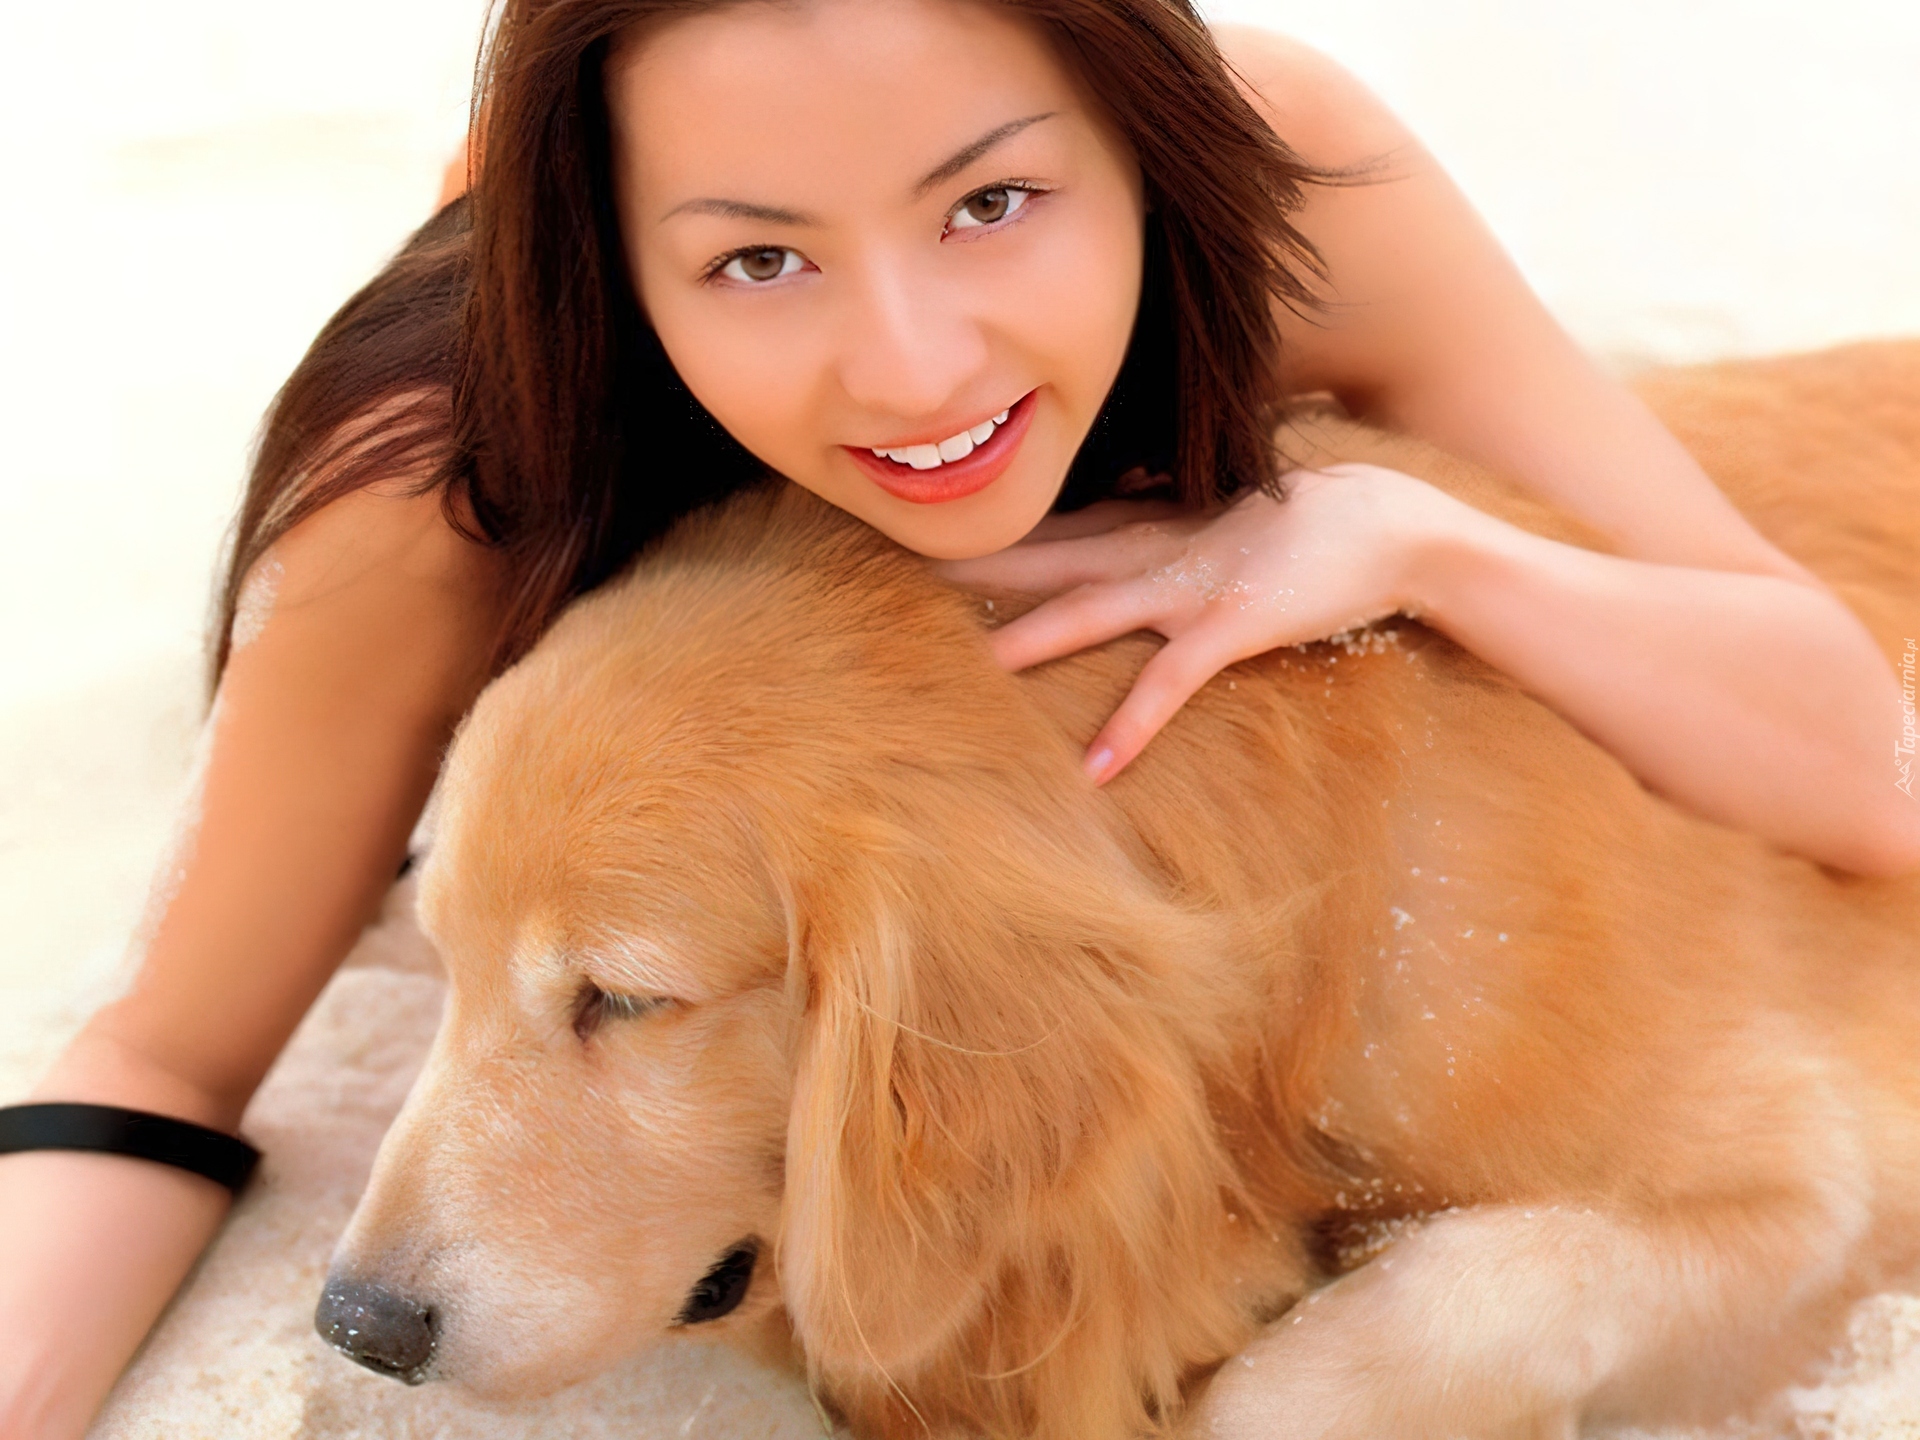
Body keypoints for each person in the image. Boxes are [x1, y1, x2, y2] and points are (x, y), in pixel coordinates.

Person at [3, 0, 1916, 1434]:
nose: (912, 364)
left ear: (1141, 149)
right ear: (611, 249)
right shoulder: (440, 488)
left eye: (992, 202)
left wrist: (1422, 542)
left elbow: (1863, 763)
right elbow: (160, 1055)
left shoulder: (1290, 189)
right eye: (757, 254)